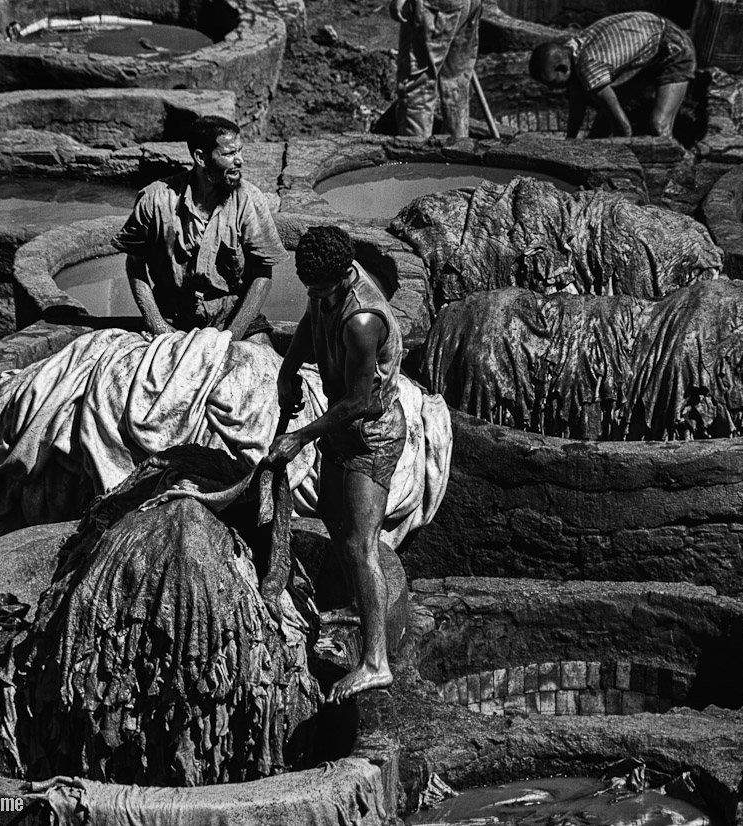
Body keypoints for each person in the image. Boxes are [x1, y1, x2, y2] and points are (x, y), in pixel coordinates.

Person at [267, 226, 405, 703]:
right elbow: (310, 322)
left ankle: (376, 663)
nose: (316, 296)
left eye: (323, 289)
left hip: (371, 436)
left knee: (358, 545)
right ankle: (354, 604)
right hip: (340, 427)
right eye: (310, 289)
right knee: (330, 513)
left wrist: (299, 436)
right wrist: (287, 371)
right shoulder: (324, 286)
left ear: (345, 276)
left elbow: (359, 402)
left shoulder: (362, 320)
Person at [114, 115, 286, 341]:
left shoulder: (249, 200)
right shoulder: (155, 199)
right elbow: (135, 264)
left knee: (259, 354)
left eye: (240, 151)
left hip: (232, 313)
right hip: (171, 313)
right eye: (229, 154)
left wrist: (232, 335)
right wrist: (157, 324)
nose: (240, 160)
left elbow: (263, 275)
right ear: (201, 158)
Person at [529, 11, 695, 139]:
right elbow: (577, 101)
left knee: (659, 126)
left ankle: (678, 166)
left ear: (563, 68)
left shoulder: (589, 67)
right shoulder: (572, 50)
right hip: (648, 52)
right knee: (603, 121)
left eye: (552, 82)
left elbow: (623, 128)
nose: (552, 89)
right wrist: (570, 142)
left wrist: (621, 161)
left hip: (674, 48)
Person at [391, 0, 483, 139]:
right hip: (470, 5)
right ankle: (456, 149)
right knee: (456, 85)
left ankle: (415, 150)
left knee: (419, 88)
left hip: (436, 6)